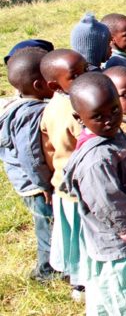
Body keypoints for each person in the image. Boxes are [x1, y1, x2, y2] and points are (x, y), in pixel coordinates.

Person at [61, 73, 126, 315]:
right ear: (79, 118)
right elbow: (109, 205)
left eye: (114, 110)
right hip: (123, 245)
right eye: (98, 116)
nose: (109, 120)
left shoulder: (113, 135)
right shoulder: (96, 160)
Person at [0, 47, 56, 281]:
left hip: (29, 181)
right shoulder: (31, 115)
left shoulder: (17, 106)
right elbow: (30, 155)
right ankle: (46, 271)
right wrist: (44, 184)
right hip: (35, 185)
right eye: (50, 78)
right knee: (47, 225)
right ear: (39, 85)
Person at [39, 49, 89, 300]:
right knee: (83, 237)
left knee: (72, 237)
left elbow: (48, 149)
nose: (84, 78)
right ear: (54, 85)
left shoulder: (50, 108)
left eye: (86, 70)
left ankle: (77, 279)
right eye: (75, 75)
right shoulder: (75, 109)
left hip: (62, 184)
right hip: (80, 187)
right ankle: (83, 282)